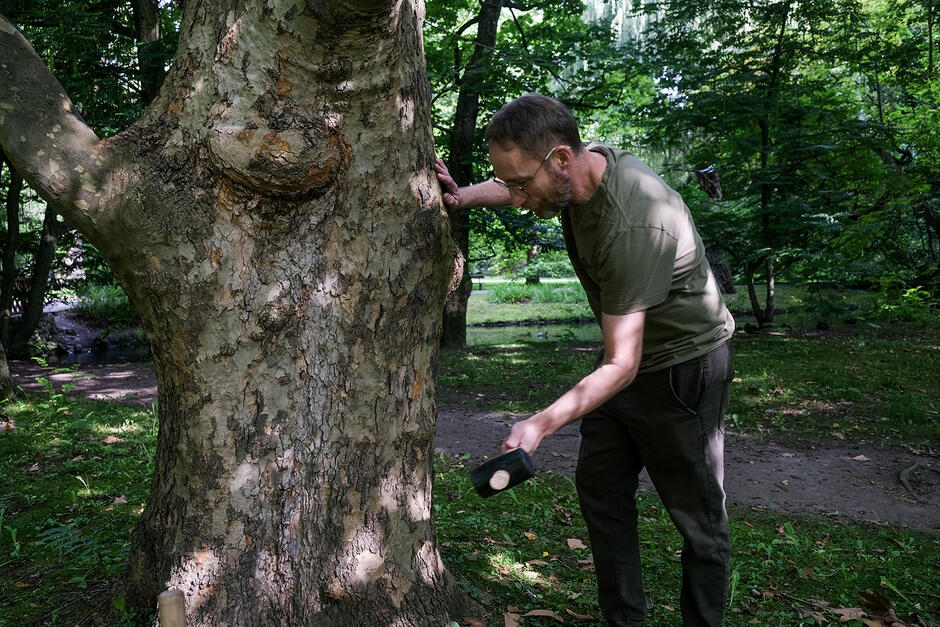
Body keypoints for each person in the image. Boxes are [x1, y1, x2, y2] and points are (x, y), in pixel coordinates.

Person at [435, 94, 735, 627]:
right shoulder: (575, 172)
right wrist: (464, 198)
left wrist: (539, 424)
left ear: (561, 161)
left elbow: (623, 363)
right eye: (510, 184)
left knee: (699, 523)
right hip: (625, 364)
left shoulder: (632, 224)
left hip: (682, 368)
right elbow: (520, 185)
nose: (518, 198)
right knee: (601, 488)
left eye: (521, 185)